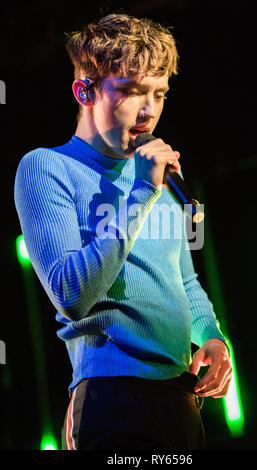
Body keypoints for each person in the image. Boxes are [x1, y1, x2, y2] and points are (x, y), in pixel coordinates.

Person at [14, 13, 232, 451]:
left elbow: (182, 279)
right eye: (132, 92)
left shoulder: (156, 176)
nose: (149, 110)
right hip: (110, 396)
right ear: (86, 91)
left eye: (159, 93)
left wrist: (212, 336)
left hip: (181, 397)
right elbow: (71, 296)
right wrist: (138, 195)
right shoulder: (48, 168)